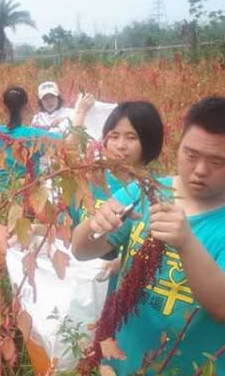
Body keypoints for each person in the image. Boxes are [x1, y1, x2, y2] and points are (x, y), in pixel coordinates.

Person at [71, 96, 225, 376]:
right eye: (190, 154)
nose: (200, 170)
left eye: (218, 162)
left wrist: (187, 244)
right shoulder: (147, 191)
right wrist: (93, 226)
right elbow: (82, 250)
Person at [67, 101, 165, 286]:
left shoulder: (154, 192)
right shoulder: (87, 180)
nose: (121, 145)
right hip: (81, 285)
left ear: (149, 141)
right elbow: (67, 231)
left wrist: (121, 263)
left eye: (131, 137)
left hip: (122, 291)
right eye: (114, 136)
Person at [0, 86, 63, 204]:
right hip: (25, 202)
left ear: (3, 108)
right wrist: (81, 112)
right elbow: (67, 143)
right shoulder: (34, 135)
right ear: (27, 107)